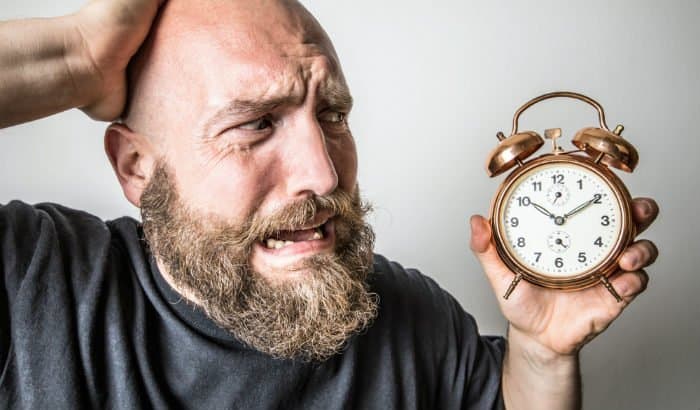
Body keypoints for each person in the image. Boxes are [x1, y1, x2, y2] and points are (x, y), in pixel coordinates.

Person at [0, 0, 659, 408]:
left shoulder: (414, 319)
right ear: (137, 169)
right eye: (257, 123)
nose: (322, 171)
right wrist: (77, 57)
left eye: (334, 114)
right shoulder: (33, 281)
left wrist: (541, 354)